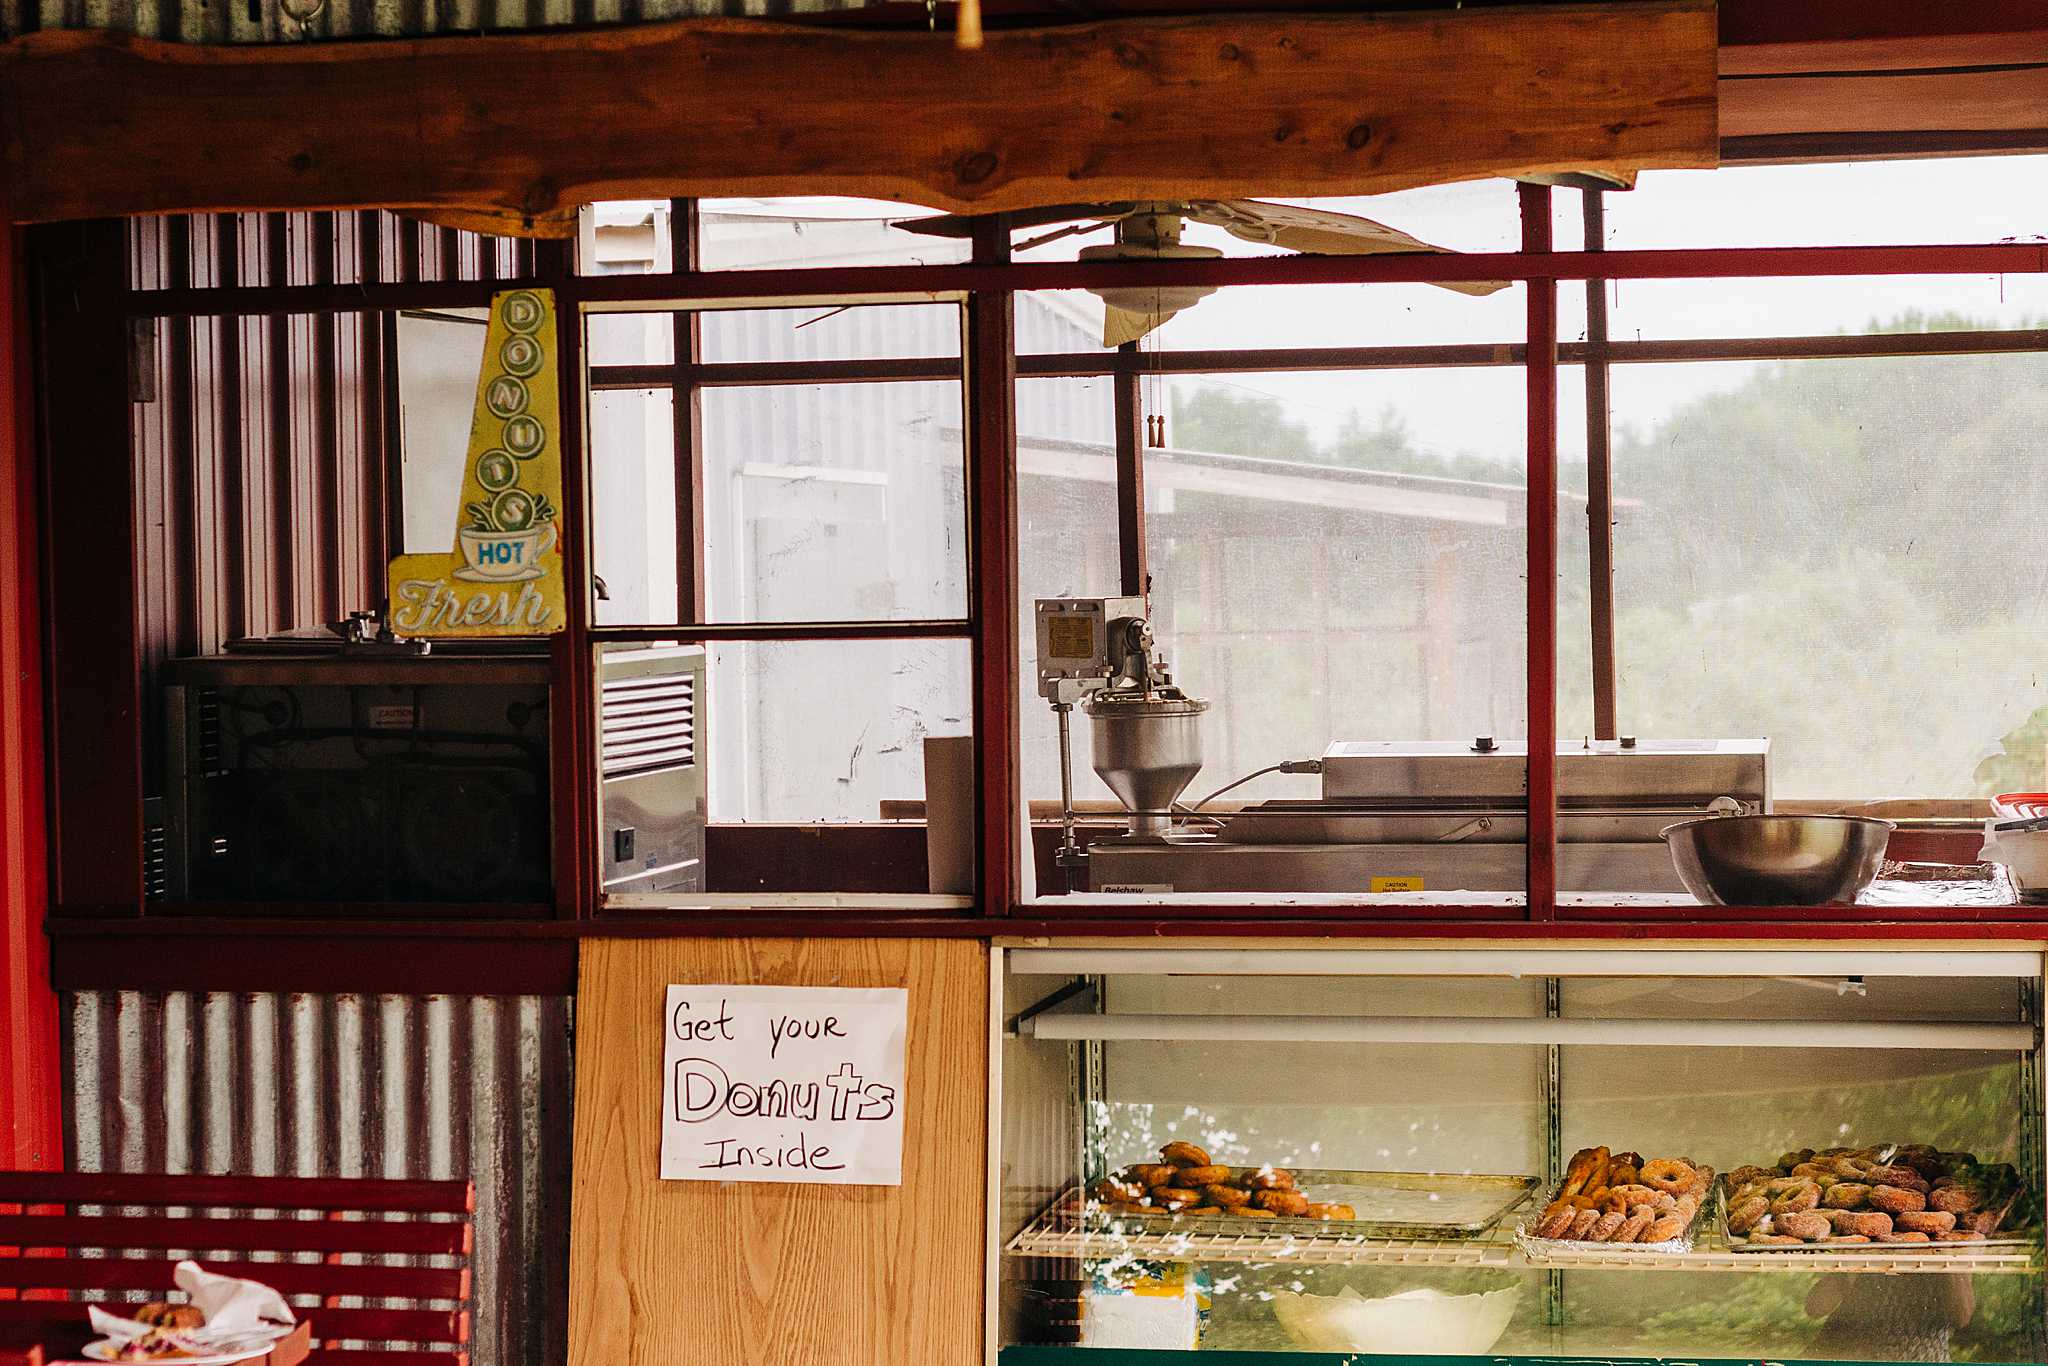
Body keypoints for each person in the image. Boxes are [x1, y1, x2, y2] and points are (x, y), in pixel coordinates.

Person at [1806, 1273, 1974, 1362]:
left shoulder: (1945, 1240)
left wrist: (1948, 1257)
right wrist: (1848, 1269)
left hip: (1920, 1356)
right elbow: (1815, 1308)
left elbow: (1961, 1316)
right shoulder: (1870, 1234)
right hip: (1852, 1356)